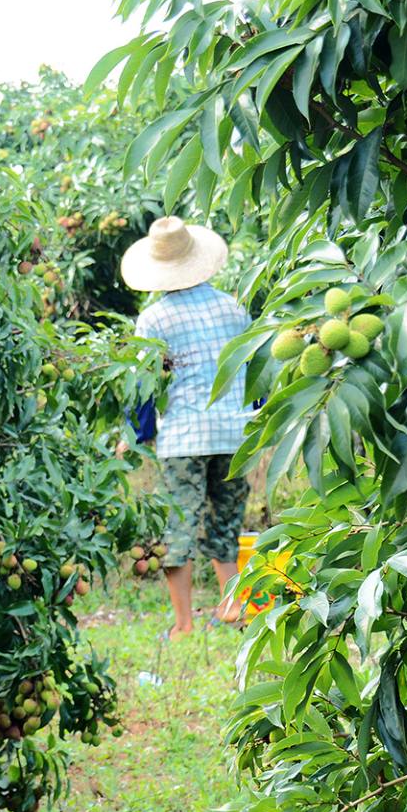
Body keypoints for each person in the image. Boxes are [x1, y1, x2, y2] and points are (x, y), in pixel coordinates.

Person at [121, 215, 255, 636]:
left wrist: (136, 435)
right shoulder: (234, 308)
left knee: (179, 525)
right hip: (235, 432)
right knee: (226, 520)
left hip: (183, 436)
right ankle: (231, 606)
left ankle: (183, 625)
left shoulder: (155, 319)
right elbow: (255, 369)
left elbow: (144, 384)